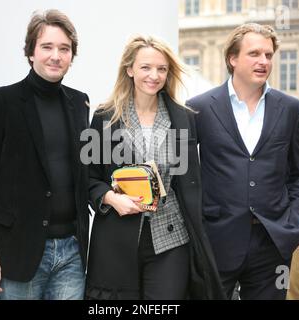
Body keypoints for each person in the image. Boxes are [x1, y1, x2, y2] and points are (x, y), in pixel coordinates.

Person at [85, 35, 225, 300]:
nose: (154, 75)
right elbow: (89, 179)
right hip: (118, 238)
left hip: (171, 239)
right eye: (146, 67)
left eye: (162, 69)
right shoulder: (104, 117)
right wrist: (112, 198)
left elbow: (189, 180)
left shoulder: (183, 117)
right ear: (129, 70)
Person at [0, 9, 90, 300]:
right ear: (31, 52)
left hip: (72, 253)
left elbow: (84, 172)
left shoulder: (79, 102)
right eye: (47, 47)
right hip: (18, 252)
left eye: (64, 49)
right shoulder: (0, 102)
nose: (56, 56)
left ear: (72, 56)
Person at [186, 23, 299, 300]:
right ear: (232, 58)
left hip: (273, 241)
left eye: (268, 55)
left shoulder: (290, 108)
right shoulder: (199, 108)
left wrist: (293, 215)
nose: (263, 61)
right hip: (217, 239)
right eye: (254, 54)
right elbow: (187, 172)